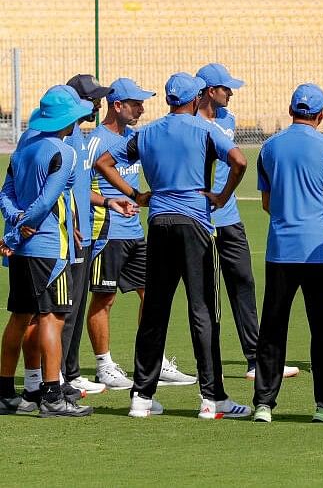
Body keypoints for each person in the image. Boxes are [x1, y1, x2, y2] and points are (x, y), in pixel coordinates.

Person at [95, 72, 250, 420]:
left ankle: (141, 397)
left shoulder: (146, 133)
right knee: (203, 310)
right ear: (195, 99)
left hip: (159, 225)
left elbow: (103, 162)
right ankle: (212, 399)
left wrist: (137, 194)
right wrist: (222, 197)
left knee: (154, 311)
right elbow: (240, 161)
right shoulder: (205, 130)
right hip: (195, 223)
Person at [251, 84, 323, 424]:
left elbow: (266, 202)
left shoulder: (269, 147)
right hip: (318, 250)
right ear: (321, 114)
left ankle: (264, 403)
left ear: (291, 109)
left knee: (273, 327)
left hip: (280, 248)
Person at [196, 63, 295, 381]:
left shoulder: (228, 119)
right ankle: (209, 365)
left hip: (229, 217)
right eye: (226, 88)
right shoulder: (191, 123)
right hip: (200, 219)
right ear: (211, 91)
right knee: (207, 293)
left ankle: (256, 359)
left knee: (244, 283)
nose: (231, 93)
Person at [0, 87, 94, 417]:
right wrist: (27, 222)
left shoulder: (23, 147)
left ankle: (6, 393)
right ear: (68, 118)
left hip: (24, 248)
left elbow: (5, 194)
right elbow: (47, 198)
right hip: (51, 250)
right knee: (53, 318)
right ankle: (52, 396)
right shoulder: (62, 151)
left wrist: (15, 225)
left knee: (19, 317)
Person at [84, 78, 154, 391]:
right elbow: (79, 188)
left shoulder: (134, 137)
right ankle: (104, 366)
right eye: (135, 104)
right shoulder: (95, 142)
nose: (141, 109)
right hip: (106, 231)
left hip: (134, 231)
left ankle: (152, 359)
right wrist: (111, 204)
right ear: (117, 106)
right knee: (105, 299)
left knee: (151, 294)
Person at [61, 74, 114, 395]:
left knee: (77, 307)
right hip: (66, 237)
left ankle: (71, 370)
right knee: (63, 311)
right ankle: (58, 377)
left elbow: (82, 189)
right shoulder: (63, 140)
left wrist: (108, 201)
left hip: (83, 235)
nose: (98, 104)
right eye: (92, 98)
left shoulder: (79, 138)